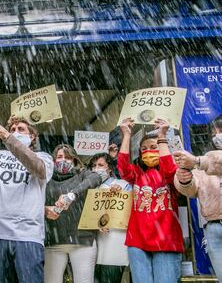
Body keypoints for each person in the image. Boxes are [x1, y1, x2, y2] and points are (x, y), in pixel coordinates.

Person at [0, 85, 54, 283]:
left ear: (32, 137)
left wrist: (7, 136)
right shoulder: (0, 155)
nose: (14, 131)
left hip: (28, 235)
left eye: (20, 130)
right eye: (12, 128)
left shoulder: (44, 156)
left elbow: (38, 168)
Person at [118, 117, 184, 283]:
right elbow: (123, 169)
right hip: (137, 241)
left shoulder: (172, 174)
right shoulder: (137, 174)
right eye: (144, 149)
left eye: (154, 147)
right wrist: (126, 135)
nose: (148, 151)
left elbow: (170, 170)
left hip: (166, 241)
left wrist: (162, 135)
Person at [174, 115, 222, 281]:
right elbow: (192, 189)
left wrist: (196, 160)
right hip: (213, 228)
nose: (218, 135)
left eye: (221, 130)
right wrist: (184, 179)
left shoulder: (203, 160)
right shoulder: (204, 160)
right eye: (216, 131)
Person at [44, 144, 101, 283]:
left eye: (68, 158)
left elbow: (96, 178)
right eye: (60, 157)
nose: (64, 160)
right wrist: (45, 209)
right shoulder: (46, 179)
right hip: (53, 241)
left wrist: (72, 195)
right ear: (53, 160)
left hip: (82, 240)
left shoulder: (82, 175)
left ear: (75, 160)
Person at [89, 153, 131, 283]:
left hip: (114, 245)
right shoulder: (87, 186)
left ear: (110, 169)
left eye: (100, 165)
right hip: (89, 247)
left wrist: (121, 194)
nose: (96, 168)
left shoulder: (123, 185)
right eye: (94, 166)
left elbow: (129, 213)